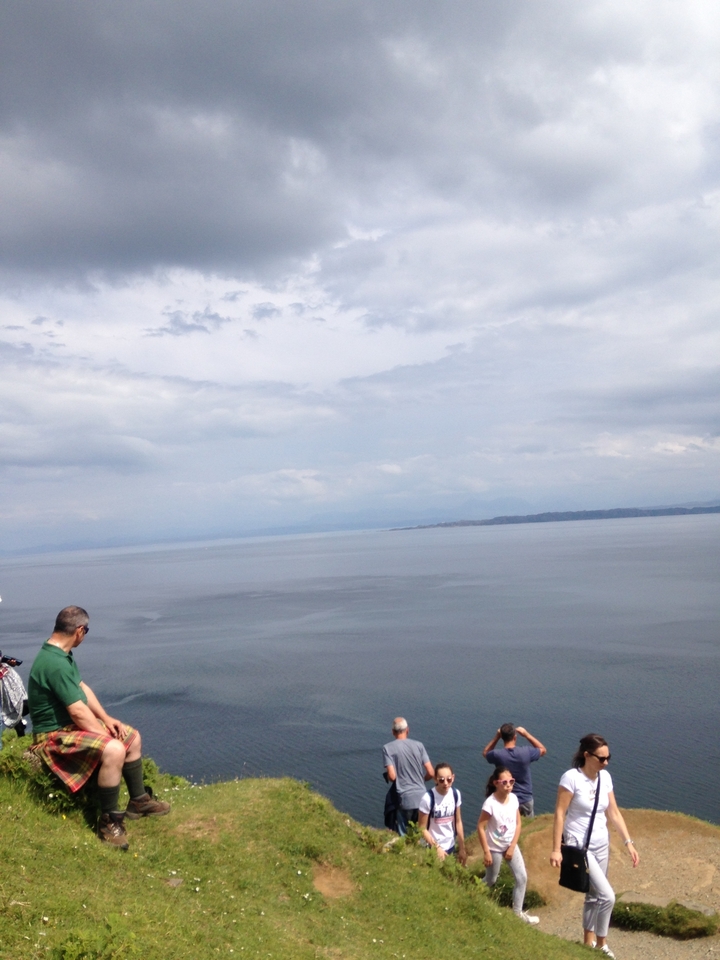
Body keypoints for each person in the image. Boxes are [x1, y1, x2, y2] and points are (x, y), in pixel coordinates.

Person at [28, 606, 170, 849]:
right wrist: (105, 736)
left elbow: (81, 688)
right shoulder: (54, 663)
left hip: (69, 727)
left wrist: (106, 718)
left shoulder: (62, 654)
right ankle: (109, 822)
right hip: (52, 735)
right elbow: (77, 711)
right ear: (80, 631)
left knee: (131, 737)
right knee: (114, 748)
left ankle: (138, 801)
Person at [550, 734, 639, 958]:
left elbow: (614, 813)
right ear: (587, 755)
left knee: (593, 896)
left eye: (608, 758)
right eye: (601, 758)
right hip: (580, 845)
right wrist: (556, 849)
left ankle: (588, 943)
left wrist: (628, 843)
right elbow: (560, 814)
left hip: (601, 843)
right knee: (607, 896)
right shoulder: (571, 778)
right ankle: (602, 945)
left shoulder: (605, 778)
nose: (605, 762)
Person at [478, 766, 539, 925]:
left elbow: (518, 824)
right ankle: (472, 893)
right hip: (494, 848)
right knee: (491, 879)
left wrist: (512, 846)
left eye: (511, 781)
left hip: (510, 845)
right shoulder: (490, 804)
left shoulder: (513, 798)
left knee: (522, 878)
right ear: (496, 783)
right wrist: (486, 851)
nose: (508, 785)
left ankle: (517, 914)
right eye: (504, 782)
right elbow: (481, 827)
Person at [382, 717, 434, 835]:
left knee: (405, 837)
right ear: (407, 730)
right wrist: (421, 780)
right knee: (423, 834)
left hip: (405, 799)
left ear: (393, 732)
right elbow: (431, 772)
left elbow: (392, 777)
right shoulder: (419, 745)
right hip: (422, 798)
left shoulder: (387, 748)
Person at [483, 723, 546, 817]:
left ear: (502, 737)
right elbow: (542, 750)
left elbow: (485, 753)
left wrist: (497, 737)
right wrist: (526, 734)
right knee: (528, 825)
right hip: (525, 798)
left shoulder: (498, 755)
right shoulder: (526, 752)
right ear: (515, 737)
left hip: (506, 798)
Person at [417, 762, 467, 864]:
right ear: (435, 779)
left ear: (453, 778)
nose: (445, 783)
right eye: (441, 780)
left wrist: (462, 848)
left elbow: (458, 822)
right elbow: (422, 828)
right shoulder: (427, 798)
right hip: (431, 846)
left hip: (450, 845)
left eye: (449, 779)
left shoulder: (455, 794)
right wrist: (437, 848)